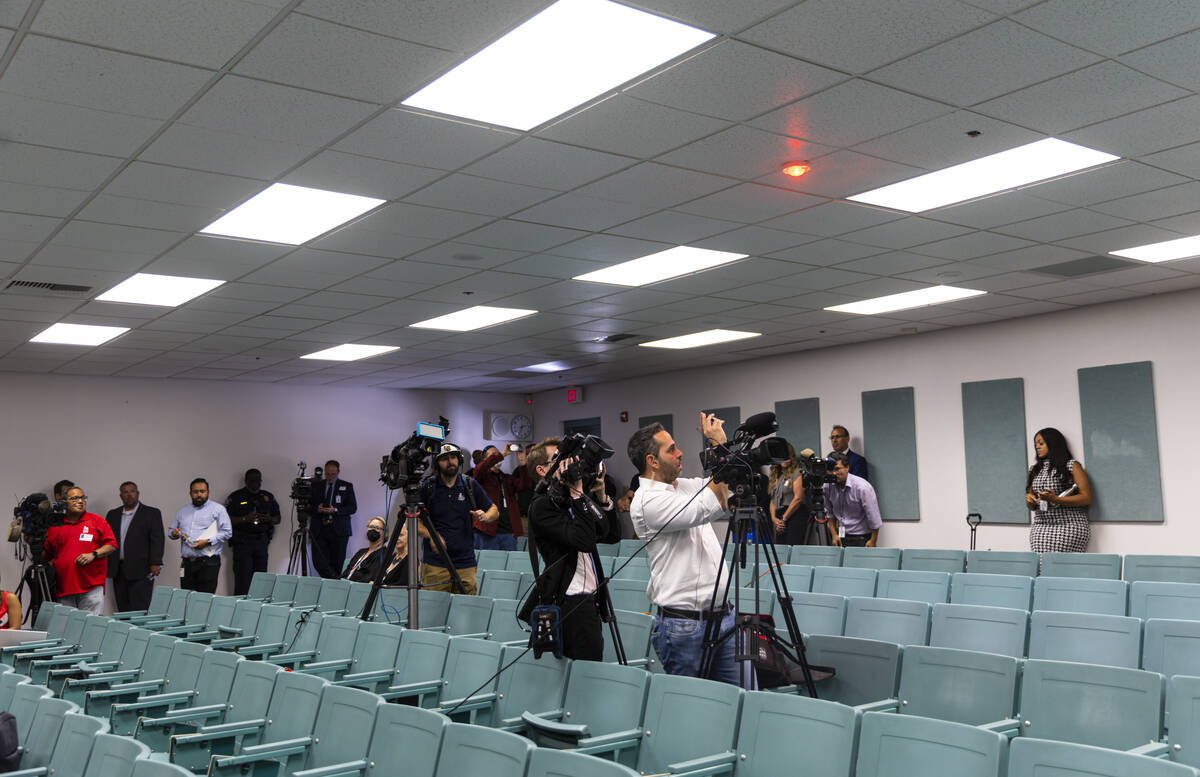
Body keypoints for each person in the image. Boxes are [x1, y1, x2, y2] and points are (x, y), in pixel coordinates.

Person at [629, 414, 739, 684]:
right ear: (652, 461)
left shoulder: (682, 487)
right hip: (685, 627)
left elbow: (729, 486)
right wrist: (718, 447)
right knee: (692, 708)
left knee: (741, 700)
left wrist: (729, 451)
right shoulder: (647, 501)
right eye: (671, 449)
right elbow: (712, 503)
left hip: (723, 617)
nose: (681, 453)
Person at [521, 437, 621, 660]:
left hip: (590, 601)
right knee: (585, 676)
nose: (568, 462)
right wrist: (577, 494)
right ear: (541, 470)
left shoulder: (574, 499)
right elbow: (584, 540)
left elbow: (613, 535)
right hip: (571, 603)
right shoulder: (543, 506)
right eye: (558, 459)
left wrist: (602, 497)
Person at [419, 443, 497, 595]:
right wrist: (432, 536)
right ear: (437, 463)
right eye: (445, 459)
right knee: (433, 611)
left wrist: (486, 516)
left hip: (465, 563)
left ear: (459, 460)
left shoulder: (469, 484)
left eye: (453, 457)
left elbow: (494, 510)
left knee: (465, 612)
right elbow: (412, 523)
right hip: (435, 563)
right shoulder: (428, 487)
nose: (450, 462)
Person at [44, 486, 117, 614]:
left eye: (83, 497)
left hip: (91, 587)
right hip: (64, 588)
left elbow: (111, 545)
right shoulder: (56, 526)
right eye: (75, 498)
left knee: (89, 628)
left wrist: (93, 554)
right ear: (64, 502)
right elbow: (47, 555)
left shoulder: (96, 521)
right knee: (68, 629)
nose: (80, 501)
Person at [1025, 427, 1093, 552]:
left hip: (1069, 524)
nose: (1037, 447)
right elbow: (1031, 504)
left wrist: (1055, 499)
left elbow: (1086, 498)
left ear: (1053, 444)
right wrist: (1030, 502)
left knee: (1058, 565)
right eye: (1035, 445)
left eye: (1041, 443)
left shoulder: (1071, 465)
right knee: (1041, 566)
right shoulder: (1034, 470)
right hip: (1041, 525)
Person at [104, 481, 164, 611]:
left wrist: (156, 562)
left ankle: (140, 632)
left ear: (138, 494)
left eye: (132, 491)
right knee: (122, 608)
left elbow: (157, 540)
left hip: (142, 570)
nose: (129, 495)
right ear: (121, 496)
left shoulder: (151, 513)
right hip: (118, 569)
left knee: (140, 608)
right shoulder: (112, 515)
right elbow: (106, 540)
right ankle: (126, 632)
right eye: (125, 492)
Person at [170, 478, 233, 593]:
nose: (199, 494)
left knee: (204, 600)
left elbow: (228, 532)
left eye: (202, 491)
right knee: (186, 598)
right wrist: (174, 533)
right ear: (190, 493)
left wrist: (208, 541)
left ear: (208, 492)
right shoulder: (182, 511)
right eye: (195, 492)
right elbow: (171, 531)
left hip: (208, 562)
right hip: (187, 563)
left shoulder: (218, 509)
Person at [225, 468, 281, 596]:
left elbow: (278, 518)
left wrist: (268, 519)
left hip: (261, 542)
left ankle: (259, 608)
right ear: (246, 481)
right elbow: (225, 520)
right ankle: (240, 609)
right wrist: (245, 519)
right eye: (252, 481)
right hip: (242, 543)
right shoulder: (235, 497)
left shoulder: (267, 497)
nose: (256, 483)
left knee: (261, 580)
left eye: (258, 481)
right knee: (242, 581)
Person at [308, 460, 357, 579]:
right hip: (320, 530)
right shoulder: (316, 486)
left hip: (339, 531)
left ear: (338, 472)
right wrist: (317, 509)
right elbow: (308, 507)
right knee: (318, 562)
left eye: (333, 474)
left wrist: (335, 510)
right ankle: (334, 580)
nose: (330, 477)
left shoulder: (347, 486)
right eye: (327, 474)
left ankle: (332, 586)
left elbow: (352, 508)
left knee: (338, 563)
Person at [823, 453, 882, 547]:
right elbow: (829, 514)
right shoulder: (827, 486)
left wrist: (873, 541)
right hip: (839, 537)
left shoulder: (862, 487)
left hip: (861, 537)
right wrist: (834, 535)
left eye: (837, 469)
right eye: (831, 470)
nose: (834, 473)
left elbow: (874, 518)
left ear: (847, 468)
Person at [472, 445, 524, 550]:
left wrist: (523, 464)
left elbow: (525, 485)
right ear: (485, 459)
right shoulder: (481, 476)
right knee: (488, 565)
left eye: (497, 454)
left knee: (510, 565)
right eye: (493, 455)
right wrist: (502, 454)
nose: (497, 457)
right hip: (488, 530)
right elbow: (479, 470)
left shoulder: (506, 478)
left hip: (508, 531)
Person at [769, 445, 812, 545]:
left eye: (787, 456)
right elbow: (772, 500)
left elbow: (798, 498)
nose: (784, 459)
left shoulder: (797, 472)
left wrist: (784, 518)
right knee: (780, 551)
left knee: (792, 548)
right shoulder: (776, 475)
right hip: (779, 518)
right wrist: (774, 519)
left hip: (794, 515)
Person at [342, 516, 388, 583]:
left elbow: (370, 577)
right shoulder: (361, 552)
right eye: (371, 527)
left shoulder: (383, 554)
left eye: (377, 528)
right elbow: (347, 571)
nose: (373, 530)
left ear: (384, 533)